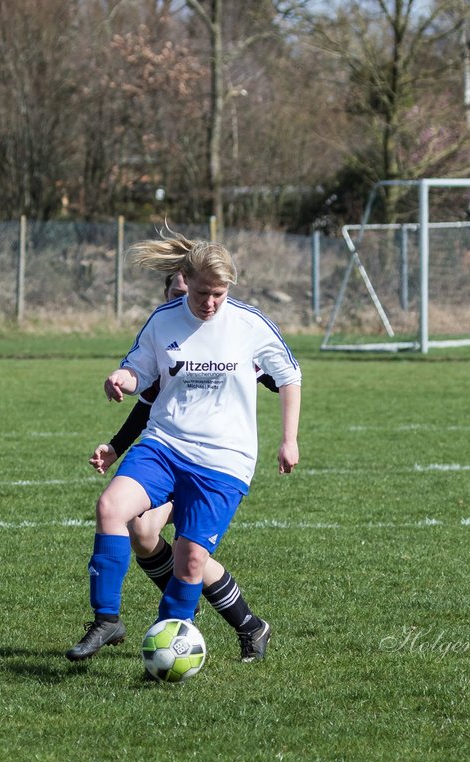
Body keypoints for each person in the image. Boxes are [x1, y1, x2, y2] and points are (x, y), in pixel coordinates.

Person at [67, 229, 301, 665]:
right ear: (185, 281)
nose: (209, 303)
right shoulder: (164, 320)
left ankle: (175, 640)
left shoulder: (250, 325)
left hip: (223, 459)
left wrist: (288, 439)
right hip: (165, 444)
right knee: (112, 510)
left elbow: (288, 375)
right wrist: (122, 379)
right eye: (200, 293)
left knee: (189, 558)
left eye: (218, 294)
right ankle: (106, 619)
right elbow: (139, 372)